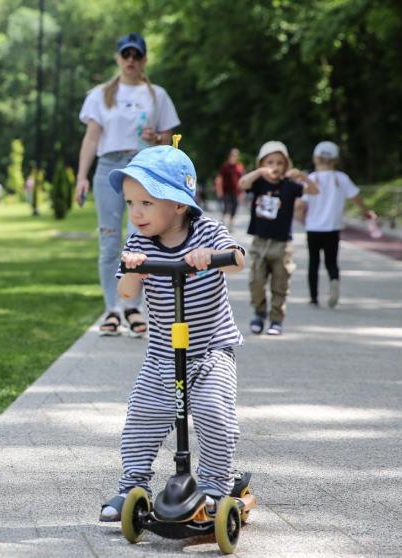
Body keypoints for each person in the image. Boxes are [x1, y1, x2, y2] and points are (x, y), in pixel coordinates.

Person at [98, 144, 246, 522]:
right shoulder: (139, 244)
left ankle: (214, 487)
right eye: (131, 203)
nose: (135, 213)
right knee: (141, 417)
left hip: (212, 351)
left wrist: (210, 257)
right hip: (163, 355)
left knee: (215, 412)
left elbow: (238, 259)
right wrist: (134, 269)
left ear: (178, 204)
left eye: (146, 203)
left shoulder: (206, 230)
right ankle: (132, 486)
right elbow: (127, 294)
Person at [74, 32, 181, 337]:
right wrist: (82, 176)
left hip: (143, 171)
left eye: (137, 55)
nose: (131, 60)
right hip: (108, 168)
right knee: (109, 243)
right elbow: (91, 138)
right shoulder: (100, 95)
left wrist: (156, 138)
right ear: (118, 58)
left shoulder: (157, 95)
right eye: (126, 55)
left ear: (144, 59)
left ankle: (133, 307)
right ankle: (111, 310)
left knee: (139, 243)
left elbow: (171, 140)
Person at [239, 141, 319, 336]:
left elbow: (314, 191)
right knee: (256, 280)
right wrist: (259, 172)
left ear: (286, 165)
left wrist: (303, 177)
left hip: (282, 243)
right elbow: (242, 184)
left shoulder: (290, 186)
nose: (275, 166)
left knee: (280, 283)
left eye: (279, 163)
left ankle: (276, 319)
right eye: (270, 162)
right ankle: (259, 313)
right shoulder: (258, 183)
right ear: (261, 163)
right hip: (260, 241)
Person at [301, 141, 376, 308]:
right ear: (335, 160)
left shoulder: (312, 179)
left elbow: (301, 204)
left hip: (313, 228)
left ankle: (314, 298)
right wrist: (366, 211)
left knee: (314, 263)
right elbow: (356, 196)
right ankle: (333, 280)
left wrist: (297, 215)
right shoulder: (342, 178)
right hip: (333, 228)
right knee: (331, 262)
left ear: (316, 158)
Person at [217, 148, 244, 231]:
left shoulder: (239, 167)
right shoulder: (225, 166)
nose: (234, 157)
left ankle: (231, 225)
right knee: (226, 207)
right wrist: (219, 190)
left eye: (236, 155)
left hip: (236, 191)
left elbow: (242, 180)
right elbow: (220, 178)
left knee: (234, 208)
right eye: (233, 155)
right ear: (230, 156)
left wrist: (242, 192)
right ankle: (222, 224)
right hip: (226, 191)